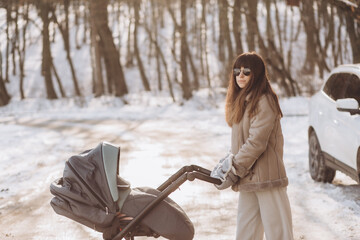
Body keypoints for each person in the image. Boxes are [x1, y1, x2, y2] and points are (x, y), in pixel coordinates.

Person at [224, 52, 294, 240]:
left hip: (267, 177)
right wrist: (228, 164)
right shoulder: (242, 101)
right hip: (247, 177)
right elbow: (241, 142)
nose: (240, 75)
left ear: (257, 74)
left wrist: (235, 169)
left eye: (247, 71)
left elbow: (256, 142)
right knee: (246, 233)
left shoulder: (264, 100)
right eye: (237, 71)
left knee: (278, 233)